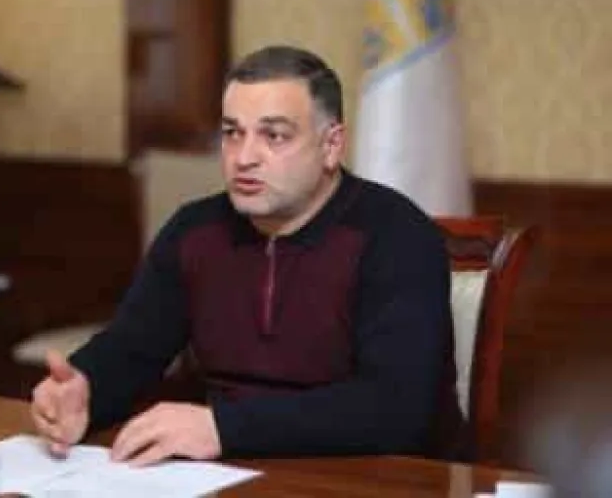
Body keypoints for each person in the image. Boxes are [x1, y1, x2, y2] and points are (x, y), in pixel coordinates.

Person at [31, 45, 466, 466]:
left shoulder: (395, 236)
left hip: (385, 480)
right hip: (233, 473)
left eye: (273, 136)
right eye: (232, 133)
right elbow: (132, 348)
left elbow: (395, 408)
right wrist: (86, 389)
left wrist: (223, 428)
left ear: (331, 145)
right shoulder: (194, 231)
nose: (244, 158)